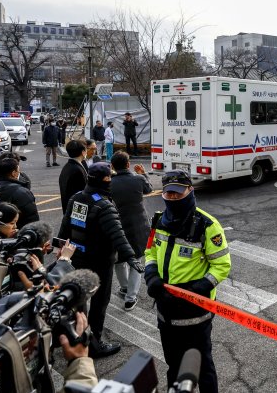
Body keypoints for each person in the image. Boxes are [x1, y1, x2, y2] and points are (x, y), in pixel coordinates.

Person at [144, 170, 231, 390]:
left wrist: (200, 288)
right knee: (173, 365)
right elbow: (149, 252)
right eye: (168, 194)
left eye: (178, 193)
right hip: (166, 312)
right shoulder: (158, 220)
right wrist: (151, 275)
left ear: (190, 190)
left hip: (195, 314)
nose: (172, 198)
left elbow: (222, 265)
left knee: (203, 369)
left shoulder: (207, 225)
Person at [58, 162, 138, 358]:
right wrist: (131, 257)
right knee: (100, 302)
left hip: (76, 257)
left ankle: (77, 336)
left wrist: (61, 248)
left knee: (79, 300)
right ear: (106, 180)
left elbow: (65, 225)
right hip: (100, 261)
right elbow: (118, 235)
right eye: (109, 177)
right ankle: (94, 344)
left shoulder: (76, 198)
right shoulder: (104, 205)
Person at [110, 152, 153, 310]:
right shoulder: (138, 179)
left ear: (112, 166)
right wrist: (144, 173)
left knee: (120, 260)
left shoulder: (109, 183)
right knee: (136, 260)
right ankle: (130, 298)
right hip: (138, 226)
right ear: (128, 164)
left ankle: (125, 287)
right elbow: (149, 189)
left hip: (117, 226)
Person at [0, 157, 39, 228]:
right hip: (17, 234)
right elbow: (32, 220)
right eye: (18, 171)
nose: (20, 173)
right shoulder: (22, 192)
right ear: (13, 173)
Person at [59, 140, 88, 212]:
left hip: (68, 207)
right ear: (83, 152)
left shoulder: (68, 166)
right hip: (77, 209)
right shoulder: (77, 170)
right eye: (86, 149)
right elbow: (81, 193)